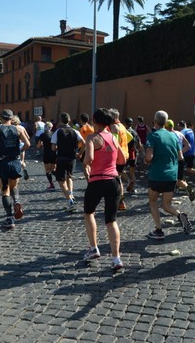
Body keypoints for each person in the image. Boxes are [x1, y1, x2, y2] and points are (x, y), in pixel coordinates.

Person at [82, 108, 126, 270]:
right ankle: (116, 259)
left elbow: (89, 159)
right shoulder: (114, 138)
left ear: (94, 121)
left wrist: (86, 164)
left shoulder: (92, 138)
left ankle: (94, 248)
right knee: (111, 220)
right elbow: (122, 159)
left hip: (97, 180)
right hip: (113, 180)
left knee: (89, 212)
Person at [145, 110, 192, 240]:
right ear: (166, 122)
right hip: (171, 175)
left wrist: (147, 159)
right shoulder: (173, 136)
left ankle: (159, 231)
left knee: (153, 201)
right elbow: (180, 156)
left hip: (157, 175)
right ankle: (179, 214)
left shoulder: (152, 136)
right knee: (167, 205)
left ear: (154, 121)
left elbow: (149, 157)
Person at [0, 109, 31, 229]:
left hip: (2, 162)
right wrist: (19, 151)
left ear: (1, 118)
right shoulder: (19, 129)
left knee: (5, 190)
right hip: (15, 161)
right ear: (11, 118)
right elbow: (28, 144)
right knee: (14, 186)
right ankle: (16, 201)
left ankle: (9, 218)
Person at [52, 112, 85, 211]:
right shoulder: (75, 131)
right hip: (72, 158)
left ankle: (69, 199)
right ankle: (71, 195)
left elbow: (53, 148)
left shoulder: (57, 131)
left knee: (61, 180)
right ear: (69, 120)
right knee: (69, 177)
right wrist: (80, 153)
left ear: (61, 121)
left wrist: (59, 146)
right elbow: (84, 143)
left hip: (61, 157)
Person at [165, 119, 195, 201]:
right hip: (181, 158)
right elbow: (188, 146)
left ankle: (167, 198)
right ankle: (187, 187)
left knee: (169, 178)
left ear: (165, 127)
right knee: (179, 179)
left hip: (172, 160)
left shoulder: (167, 135)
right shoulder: (179, 133)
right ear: (173, 126)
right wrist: (181, 152)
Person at [123, 117, 145, 194]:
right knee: (132, 172)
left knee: (121, 170)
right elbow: (140, 144)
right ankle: (132, 189)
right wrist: (143, 154)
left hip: (125, 153)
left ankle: (129, 181)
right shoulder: (135, 132)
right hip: (134, 153)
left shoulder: (124, 132)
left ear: (124, 124)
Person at [37, 122, 57, 190]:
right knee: (53, 170)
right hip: (54, 153)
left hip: (46, 154)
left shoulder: (42, 135)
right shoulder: (54, 134)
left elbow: (38, 146)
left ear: (45, 127)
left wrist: (42, 145)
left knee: (48, 170)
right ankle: (61, 179)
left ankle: (51, 184)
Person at [78, 113, 95, 181]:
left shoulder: (82, 129)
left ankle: (88, 181)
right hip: (91, 147)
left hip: (83, 147)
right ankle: (92, 179)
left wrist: (80, 153)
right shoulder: (92, 127)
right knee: (90, 165)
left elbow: (81, 139)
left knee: (84, 165)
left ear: (81, 120)